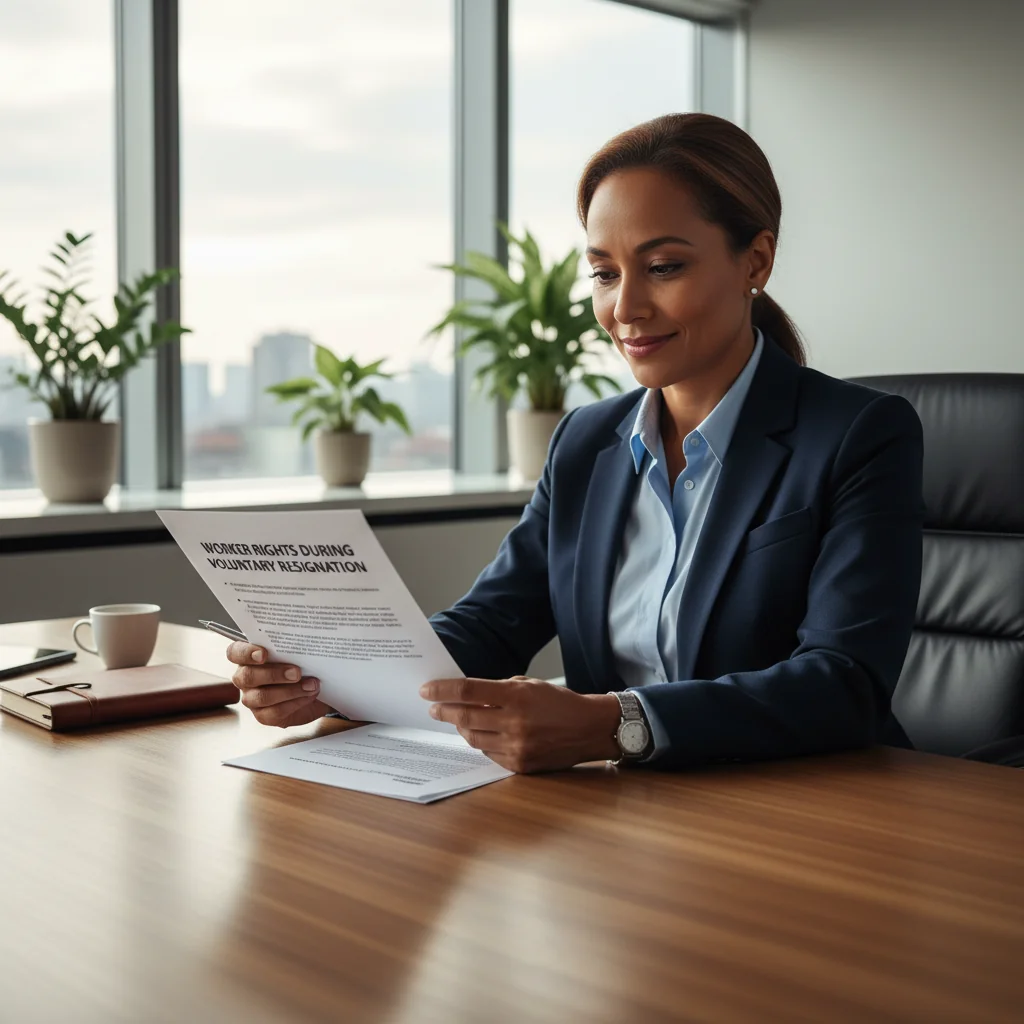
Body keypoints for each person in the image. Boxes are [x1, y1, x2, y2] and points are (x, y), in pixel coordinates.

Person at [226, 113, 925, 774]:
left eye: (664, 267)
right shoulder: (586, 441)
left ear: (757, 260)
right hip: (620, 821)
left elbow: (844, 683)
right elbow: (493, 622)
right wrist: (333, 681)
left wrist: (615, 723)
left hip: (809, 813)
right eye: (604, 272)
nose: (625, 309)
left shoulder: (858, 435)